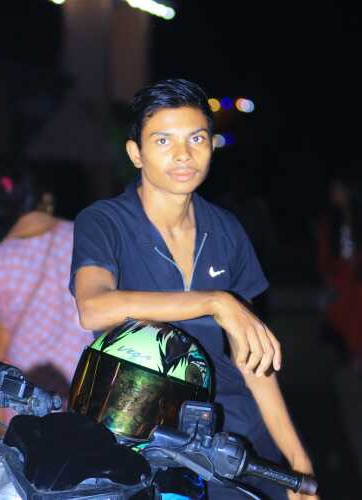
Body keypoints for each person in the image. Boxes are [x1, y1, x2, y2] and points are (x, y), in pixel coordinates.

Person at [70, 79, 317, 500]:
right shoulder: (105, 222)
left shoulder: (227, 230)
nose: (183, 154)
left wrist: (297, 462)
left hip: (234, 442)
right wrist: (215, 302)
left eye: (196, 138)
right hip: (144, 442)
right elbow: (92, 307)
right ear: (136, 153)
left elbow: (252, 360)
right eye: (163, 140)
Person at [0, 167, 93, 404]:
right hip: (83, 374)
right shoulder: (82, 237)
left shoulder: (0, 257)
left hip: (27, 386)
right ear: (47, 201)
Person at [317, 175, 362, 367]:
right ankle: (348, 352)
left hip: (357, 276)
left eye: (338, 189)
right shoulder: (330, 222)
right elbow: (324, 253)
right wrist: (327, 275)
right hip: (339, 276)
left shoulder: (357, 218)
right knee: (338, 312)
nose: (334, 194)